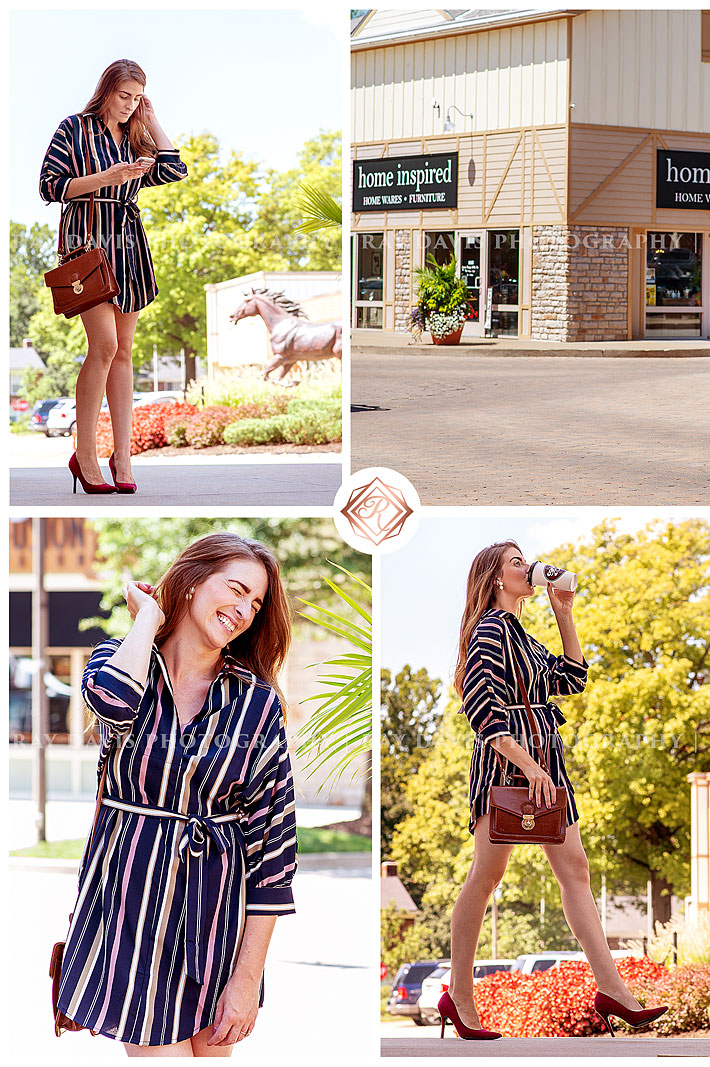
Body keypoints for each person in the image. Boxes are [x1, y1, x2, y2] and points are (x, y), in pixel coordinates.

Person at [54, 534, 298, 1055]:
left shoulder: (257, 703)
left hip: (216, 925)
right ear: (192, 582)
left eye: (255, 603)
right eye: (234, 589)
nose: (243, 609)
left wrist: (248, 978)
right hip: (130, 915)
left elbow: (274, 851)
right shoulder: (122, 664)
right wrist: (147, 618)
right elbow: (114, 706)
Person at [443, 542, 667, 1040]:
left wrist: (564, 614)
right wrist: (528, 767)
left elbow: (571, 678)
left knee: (576, 869)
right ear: (496, 579)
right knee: (487, 875)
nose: (529, 567)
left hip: (547, 762)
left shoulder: (522, 634)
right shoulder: (488, 633)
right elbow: (481, 712)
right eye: (517, 562)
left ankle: (611, 988)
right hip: (509, 764)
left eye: (527, 560)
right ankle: (459, 994)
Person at [39, 59, 188, 495]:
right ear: (106, 90)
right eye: (125, 96)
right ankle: (84, 453)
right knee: (103, 346)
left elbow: (175, 170)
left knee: (124, 352)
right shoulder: (74, 128)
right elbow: (50, 187)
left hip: (128, 245)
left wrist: (153, 120)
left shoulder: (136, 134)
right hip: (87, 245)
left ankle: (122, 456)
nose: (129, 105)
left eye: (137, 98)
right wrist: (109, 177)